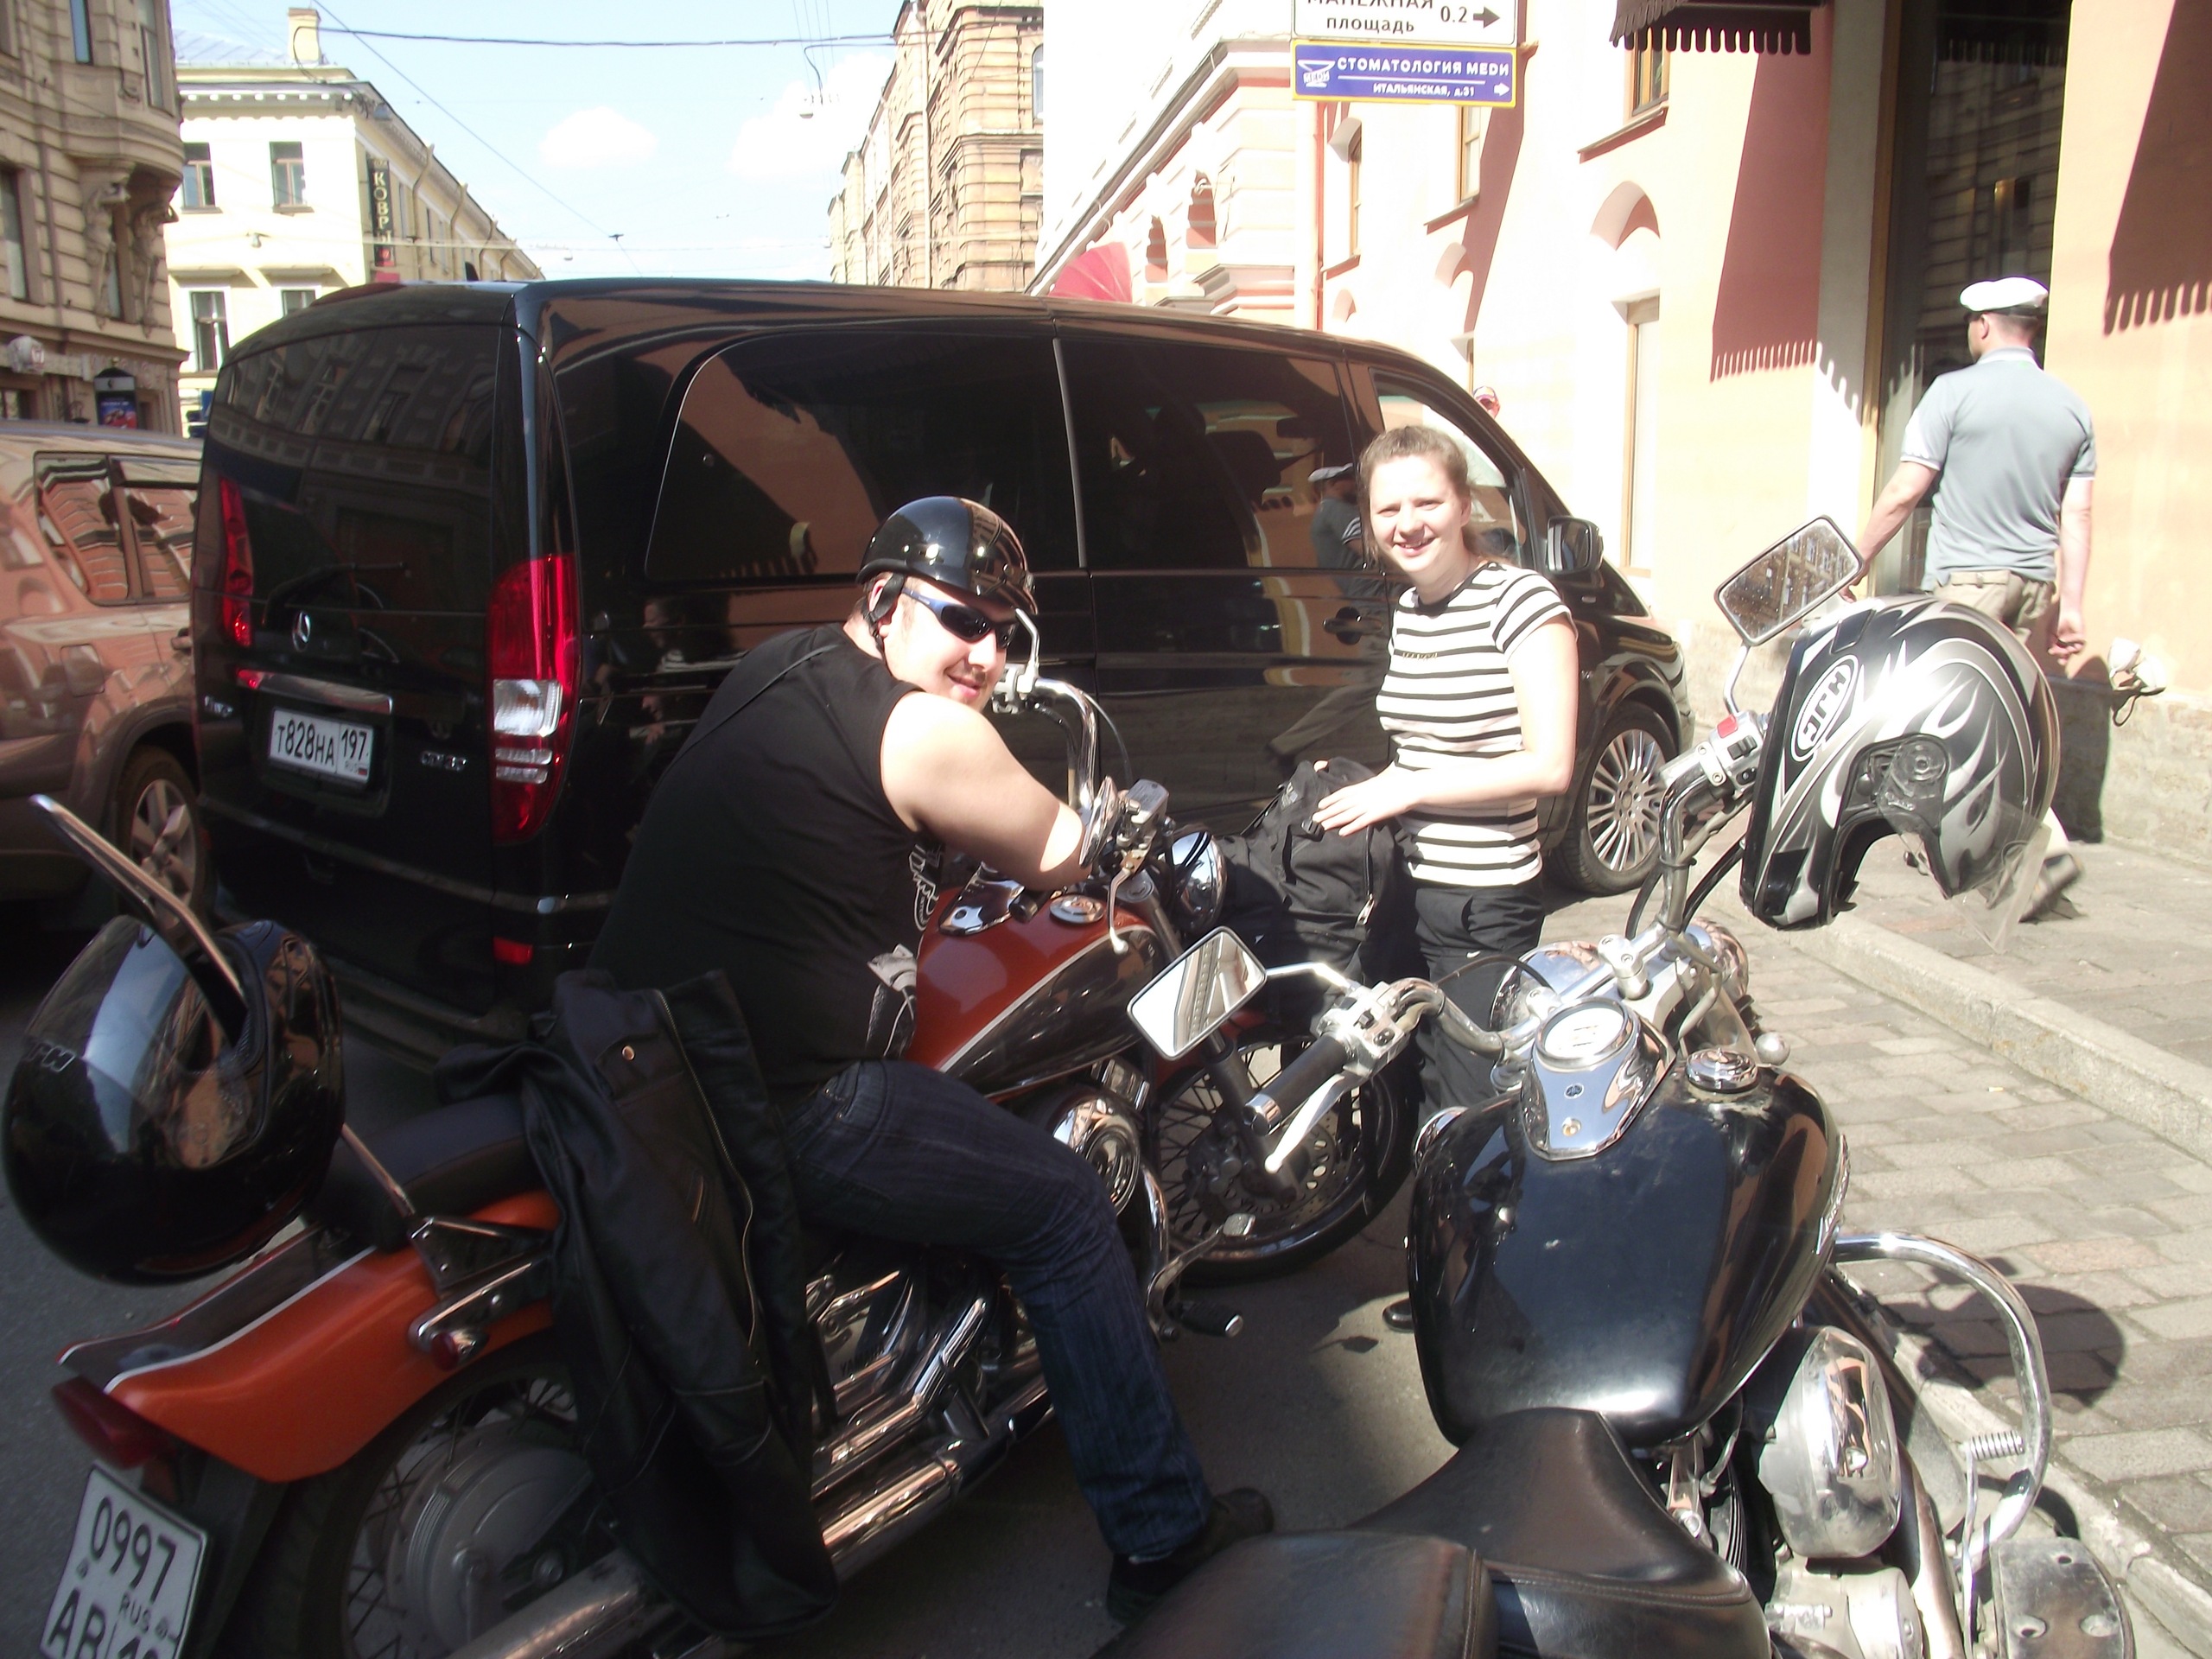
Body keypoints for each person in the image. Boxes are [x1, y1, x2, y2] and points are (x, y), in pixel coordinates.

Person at [589, 497, 1270, 1623]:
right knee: (1061, 1207)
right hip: (797, 1099)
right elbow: (1061, 852)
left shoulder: (779, 665)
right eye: (962, 617)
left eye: (1005, 630)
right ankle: (1163, 1537)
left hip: (648, 1058)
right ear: (884, 600)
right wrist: (1115, 829)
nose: (986, 653)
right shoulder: (929, 734)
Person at [1310, 427, 1578, 1327]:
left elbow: (1548, 765)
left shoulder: (1521, 602)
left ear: (1465, 504)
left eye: (1427, 501)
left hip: (1483, 895)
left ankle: (1482, 1297)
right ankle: (1441, 1263)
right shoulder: (1413, 609)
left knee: (1471, 1096)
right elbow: (1419, 744)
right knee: (1412, 1073)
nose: (1408, 522)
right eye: (1388, 508)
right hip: (1411, 883)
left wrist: (1410, 787)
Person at [1857, 275, 2094, 912]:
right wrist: (2072, 605)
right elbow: (2077, 516)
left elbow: (1907, 489)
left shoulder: (1952, 393)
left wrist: (1857, 557)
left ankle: (2042, 849)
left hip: (1971, 581)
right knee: (2005, 720)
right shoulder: (2071, 407)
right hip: (2034, 585)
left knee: (1957, 721)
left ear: (1983, 325)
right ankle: (1960, 845)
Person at [1265, 462, 1387, 772]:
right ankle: (1286, 745)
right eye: (1348, 478)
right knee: (1370, 683)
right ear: (1332, 483)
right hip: (1377, 607)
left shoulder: (1326, 512)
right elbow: (1371, 551)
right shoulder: (1338, 512)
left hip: (1373, 604)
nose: (1356, 482)